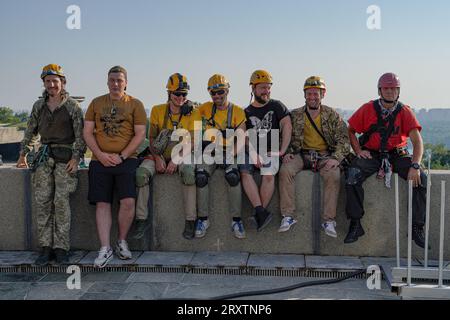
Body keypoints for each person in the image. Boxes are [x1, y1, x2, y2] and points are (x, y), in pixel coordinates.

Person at [344, 73, 427, 248]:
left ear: (398, 91)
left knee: (421, 178)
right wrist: (358, 150)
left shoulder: (404, 111)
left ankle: (417, 227)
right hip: (372, 154)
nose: (390, 92)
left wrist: (415, 165)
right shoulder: (368, 108)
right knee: (352, 174)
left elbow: (417, 141)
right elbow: (351, 130)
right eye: (386, 88)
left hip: (397, 154)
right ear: (380, 90)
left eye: (393, 89)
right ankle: (355, 223)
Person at [17, 64, 85, 266]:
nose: (52, 85)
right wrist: (23, 155)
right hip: (44, 159)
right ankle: (45, 248)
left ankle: (61, 248)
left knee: (62, 204)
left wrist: (76, 157)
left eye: (55, 81)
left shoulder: (72, 106)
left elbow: (81, 136)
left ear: (62, 82)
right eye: (48, 81)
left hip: (66, 159)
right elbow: (30, 132)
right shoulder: (39, 106)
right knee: (43, 204)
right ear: (44, 84)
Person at [83, 66, 146, 268]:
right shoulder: (96, 103)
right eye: (112, 80)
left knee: (128, 201)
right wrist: (100, 155)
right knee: (103, 203)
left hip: (126, 159)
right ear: (107, 82)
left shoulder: (135, 104)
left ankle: (121, 241)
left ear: (126, 82)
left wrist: (122, 156)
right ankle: (105, 248)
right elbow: (87, 133)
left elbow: (140, 134)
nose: (116, 83)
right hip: (99, 160)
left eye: (119, 80)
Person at [279, 76, 350, 236]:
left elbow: (344, 139)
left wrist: (336, 158)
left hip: (325, 155)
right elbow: (285, 135)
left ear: (322, 95)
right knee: (285, 171)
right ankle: (288, 216)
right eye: (309, 94)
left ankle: (329, 220)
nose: (312, 97)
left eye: (315, 94)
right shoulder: (295, 115)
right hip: (301, 154)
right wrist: (287, 152)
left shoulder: (331, 115)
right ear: (304, 95)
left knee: (334, 174)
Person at [135, 73, 200, 240]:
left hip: (183, 153)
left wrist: (177, 159)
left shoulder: (194, 112)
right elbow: (151, 139)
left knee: (188, 173)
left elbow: (193, 142)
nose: (180, 97)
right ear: (169, 93)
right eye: (177, 94)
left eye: (184, 94)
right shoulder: (157, 110)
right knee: (141, 175)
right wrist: (157, 158)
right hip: (160, 154)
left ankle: (190, 220)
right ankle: (141, 219)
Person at [195, 74, 247, 239]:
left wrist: (231, 154)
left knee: (233, 176)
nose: (217, 96)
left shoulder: (237, 111)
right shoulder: (205, 108)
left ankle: (236, 220)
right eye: (213, 93)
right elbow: (191, 110)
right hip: (209, 151)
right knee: (201, 177)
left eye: (221, 92)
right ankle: (203, 219)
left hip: (229, 151)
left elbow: (242, 137)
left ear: (227, 91)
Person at [239, 70, 292, 231]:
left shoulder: (277, 106)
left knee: (268, 175)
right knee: (244, 172)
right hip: (252, 150)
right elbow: (244, 136)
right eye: (262, 88)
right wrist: (253, 154)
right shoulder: (246, 112)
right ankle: (261, 211)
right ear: (253, 89)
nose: (266, 91)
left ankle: (258, 215)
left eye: (268, 88)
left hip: (271, 150)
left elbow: (287, 126)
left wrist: (282, 151)